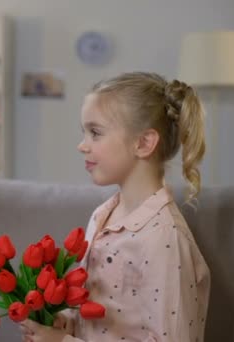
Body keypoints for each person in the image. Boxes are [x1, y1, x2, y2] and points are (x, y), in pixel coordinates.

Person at [20, 72, 210, 341]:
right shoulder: (102, 217)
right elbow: (101, 320)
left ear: (143, 143)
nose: (82, 146)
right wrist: (62, 324)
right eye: (84, 132)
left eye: (95, 133)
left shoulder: (164, 237)